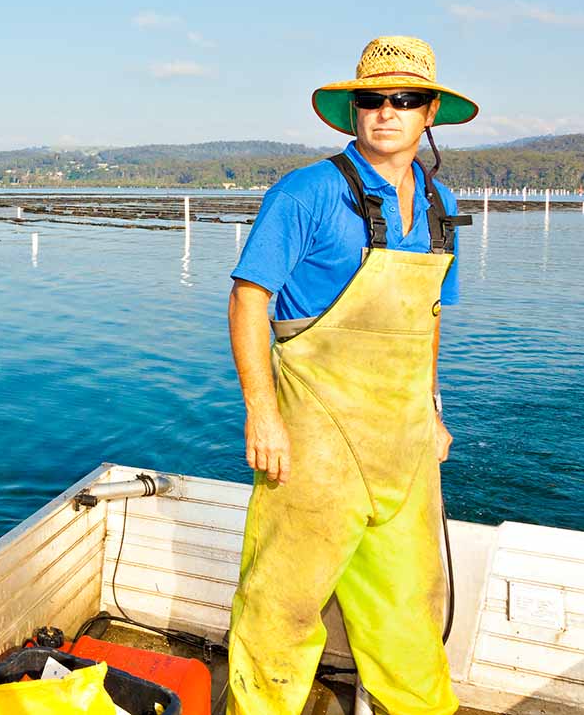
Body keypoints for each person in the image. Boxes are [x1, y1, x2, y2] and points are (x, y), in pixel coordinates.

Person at [225, 36, 477, 715]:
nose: (386, 112)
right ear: (353, 110)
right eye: (372, 99)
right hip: (312, 448)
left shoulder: (439, 202)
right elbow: (250, 299)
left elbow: (427, 316)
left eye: (405, 99)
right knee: (279, 612)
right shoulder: (305, 192)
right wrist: (262, 413)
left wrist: (431, 408)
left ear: (430, 114)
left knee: (408, 616)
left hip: (403, 449)